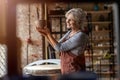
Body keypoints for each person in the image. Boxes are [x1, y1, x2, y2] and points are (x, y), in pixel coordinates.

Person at [36, 8, 89, 75]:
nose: (67, 21)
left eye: (70, 20)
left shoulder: (80, 36)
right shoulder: (70, 32)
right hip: (67, 71)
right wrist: (45, 35)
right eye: (67, 19)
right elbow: (56, 45)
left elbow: (59, 48)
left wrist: (48, 34)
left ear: (78, 21)